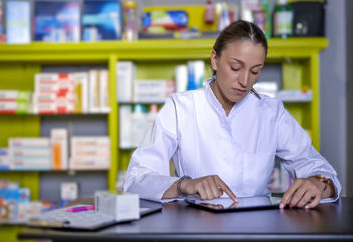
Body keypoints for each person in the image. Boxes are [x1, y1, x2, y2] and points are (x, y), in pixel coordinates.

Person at [123, 20, 341, 209]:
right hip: (196, 224)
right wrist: (185, 184)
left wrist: (318, 182)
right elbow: (137, 178)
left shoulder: (271, 112)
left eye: (255, 71)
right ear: (215, 60)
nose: (245, 81)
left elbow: (316, 166)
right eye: (236, 67)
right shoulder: (181, 107)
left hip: (259, 226)